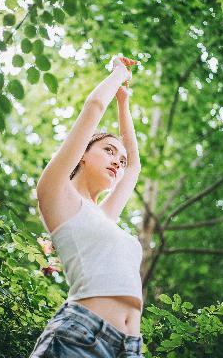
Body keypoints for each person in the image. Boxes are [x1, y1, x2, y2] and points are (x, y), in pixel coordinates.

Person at [29, 56, 144, 357]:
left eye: (118, 159)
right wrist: (118, 72)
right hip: (81, 336)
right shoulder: (57, 194)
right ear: (82, 154)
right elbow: (93, 107)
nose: (117, 163)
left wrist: (124, 103)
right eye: (108, 151)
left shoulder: (105, 216)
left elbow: (134, 166)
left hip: (129, 347)